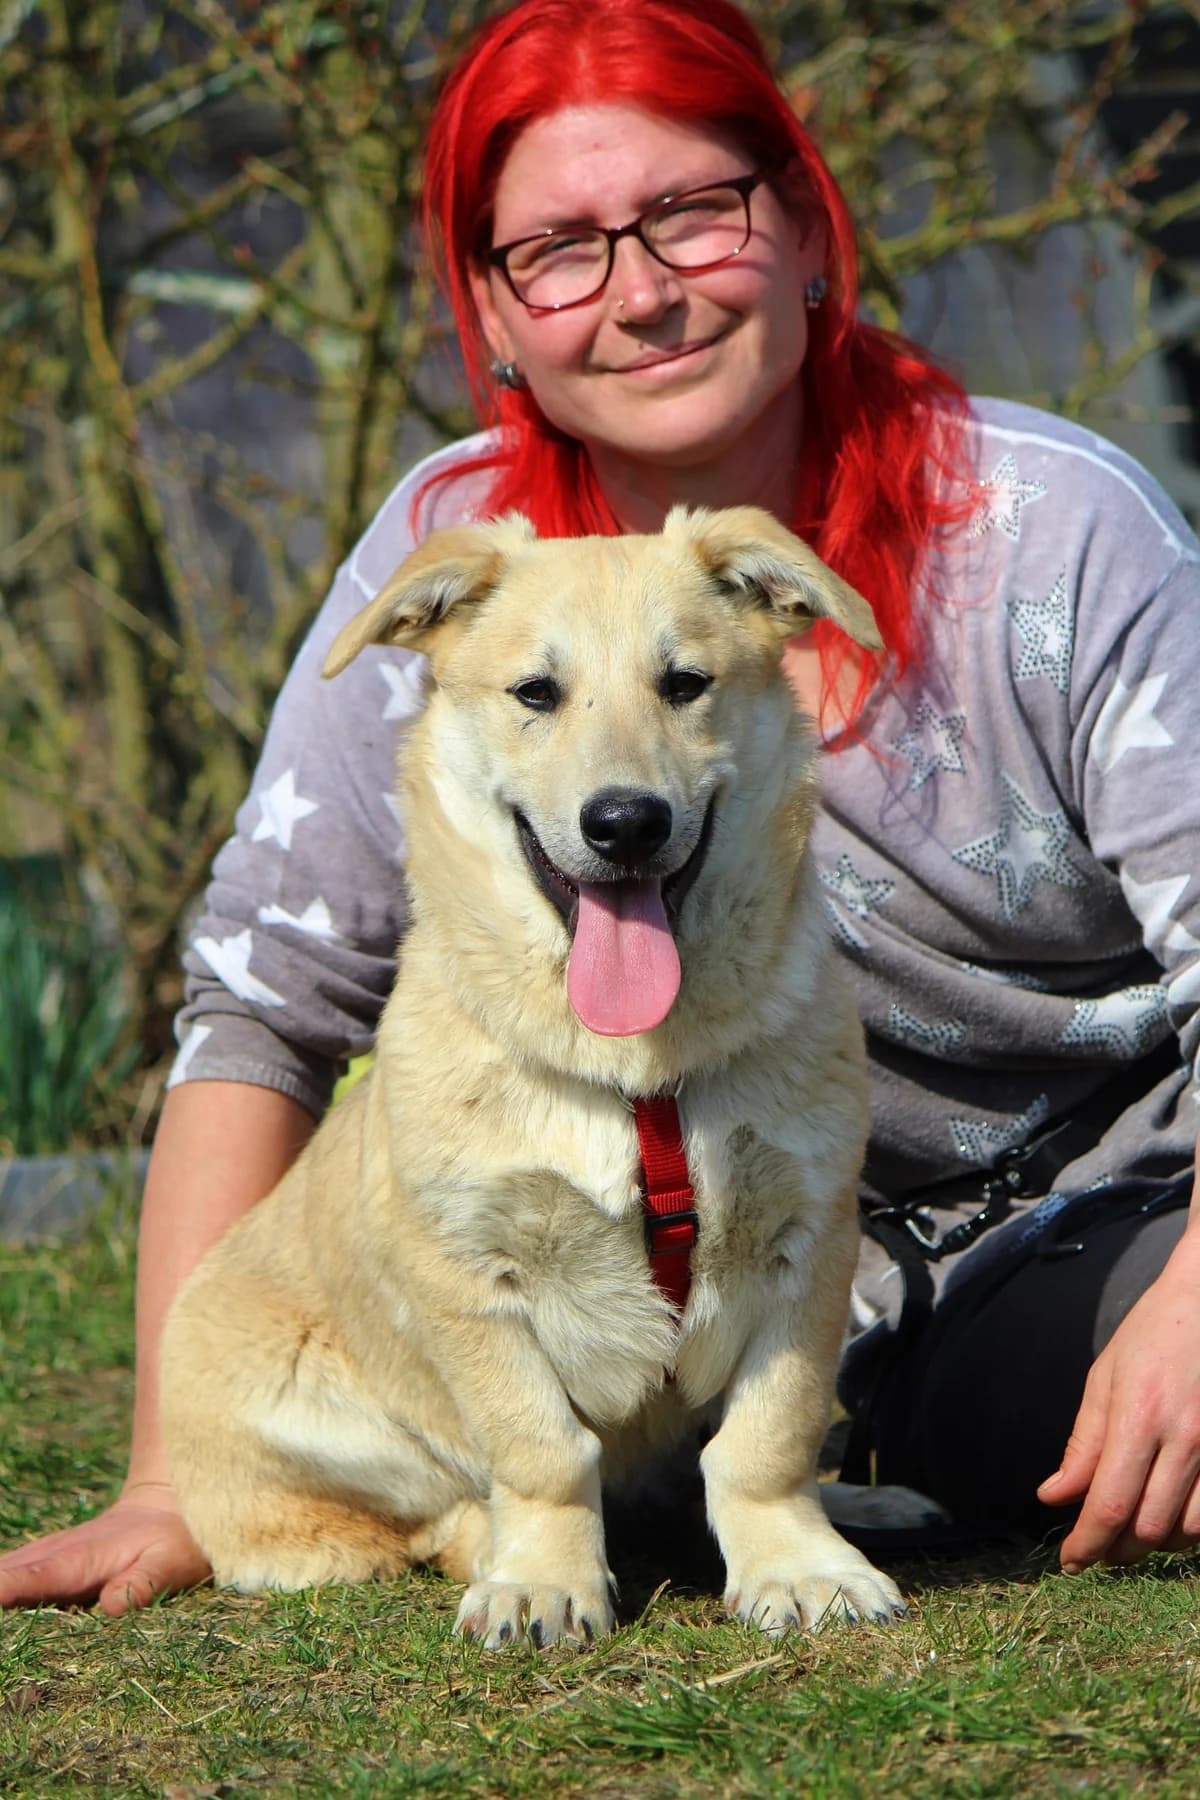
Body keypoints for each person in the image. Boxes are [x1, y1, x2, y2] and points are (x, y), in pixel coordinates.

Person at [3, 0, 1199, 1616]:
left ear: (805, 226)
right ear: (494, 315)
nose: (641, 292)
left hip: (1111, 1221)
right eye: (560, 250)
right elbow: (264, 1003)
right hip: (777, 1327)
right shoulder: (447, 554)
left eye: (695, 211)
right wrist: (178, 1476)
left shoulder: (1062, 537)